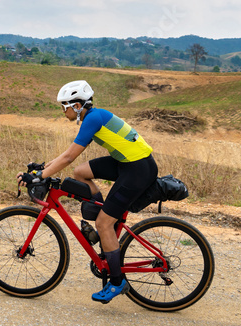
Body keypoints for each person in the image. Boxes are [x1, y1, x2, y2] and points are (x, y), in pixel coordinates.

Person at [18, 79, 157, 304]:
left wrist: (38, 177)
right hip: (128, 162)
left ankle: (117, 281)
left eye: (64, 106)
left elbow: (68, 155)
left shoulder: (92, 119)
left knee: (104, 223)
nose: (63, 111)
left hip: (137, 169)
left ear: (76, 105)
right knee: (80, 172)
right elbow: (70, 156)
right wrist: (44, 167)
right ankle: (104, 221)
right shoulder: (93, 117)